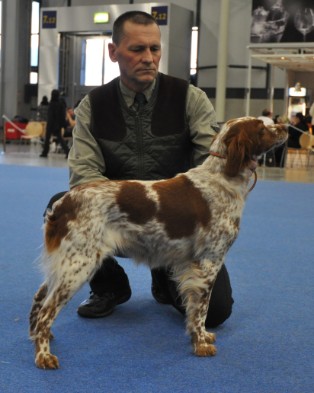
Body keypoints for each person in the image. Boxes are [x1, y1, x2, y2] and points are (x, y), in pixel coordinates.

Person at [46, 11, 233, 328]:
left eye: (155, 49)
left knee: (215, 314)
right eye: (137, 49)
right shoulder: (92, 105)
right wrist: (135, 214)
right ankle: (110, 287)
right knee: (61, 205)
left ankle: (166, 276)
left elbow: (213, 171)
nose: (149, 58)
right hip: (118, 223)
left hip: (178, 229)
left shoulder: (191, 98)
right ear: (113, 52)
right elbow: (85, 179)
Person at [40, 89, 70, 158]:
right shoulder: (60, 104)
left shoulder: (51, 104)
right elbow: (62, 116)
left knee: (47, 139)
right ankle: (67, 152)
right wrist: (63, 124)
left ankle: (45, 152)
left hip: (50, 124)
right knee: (60, 139)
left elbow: (50, 115)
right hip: (57, 124)